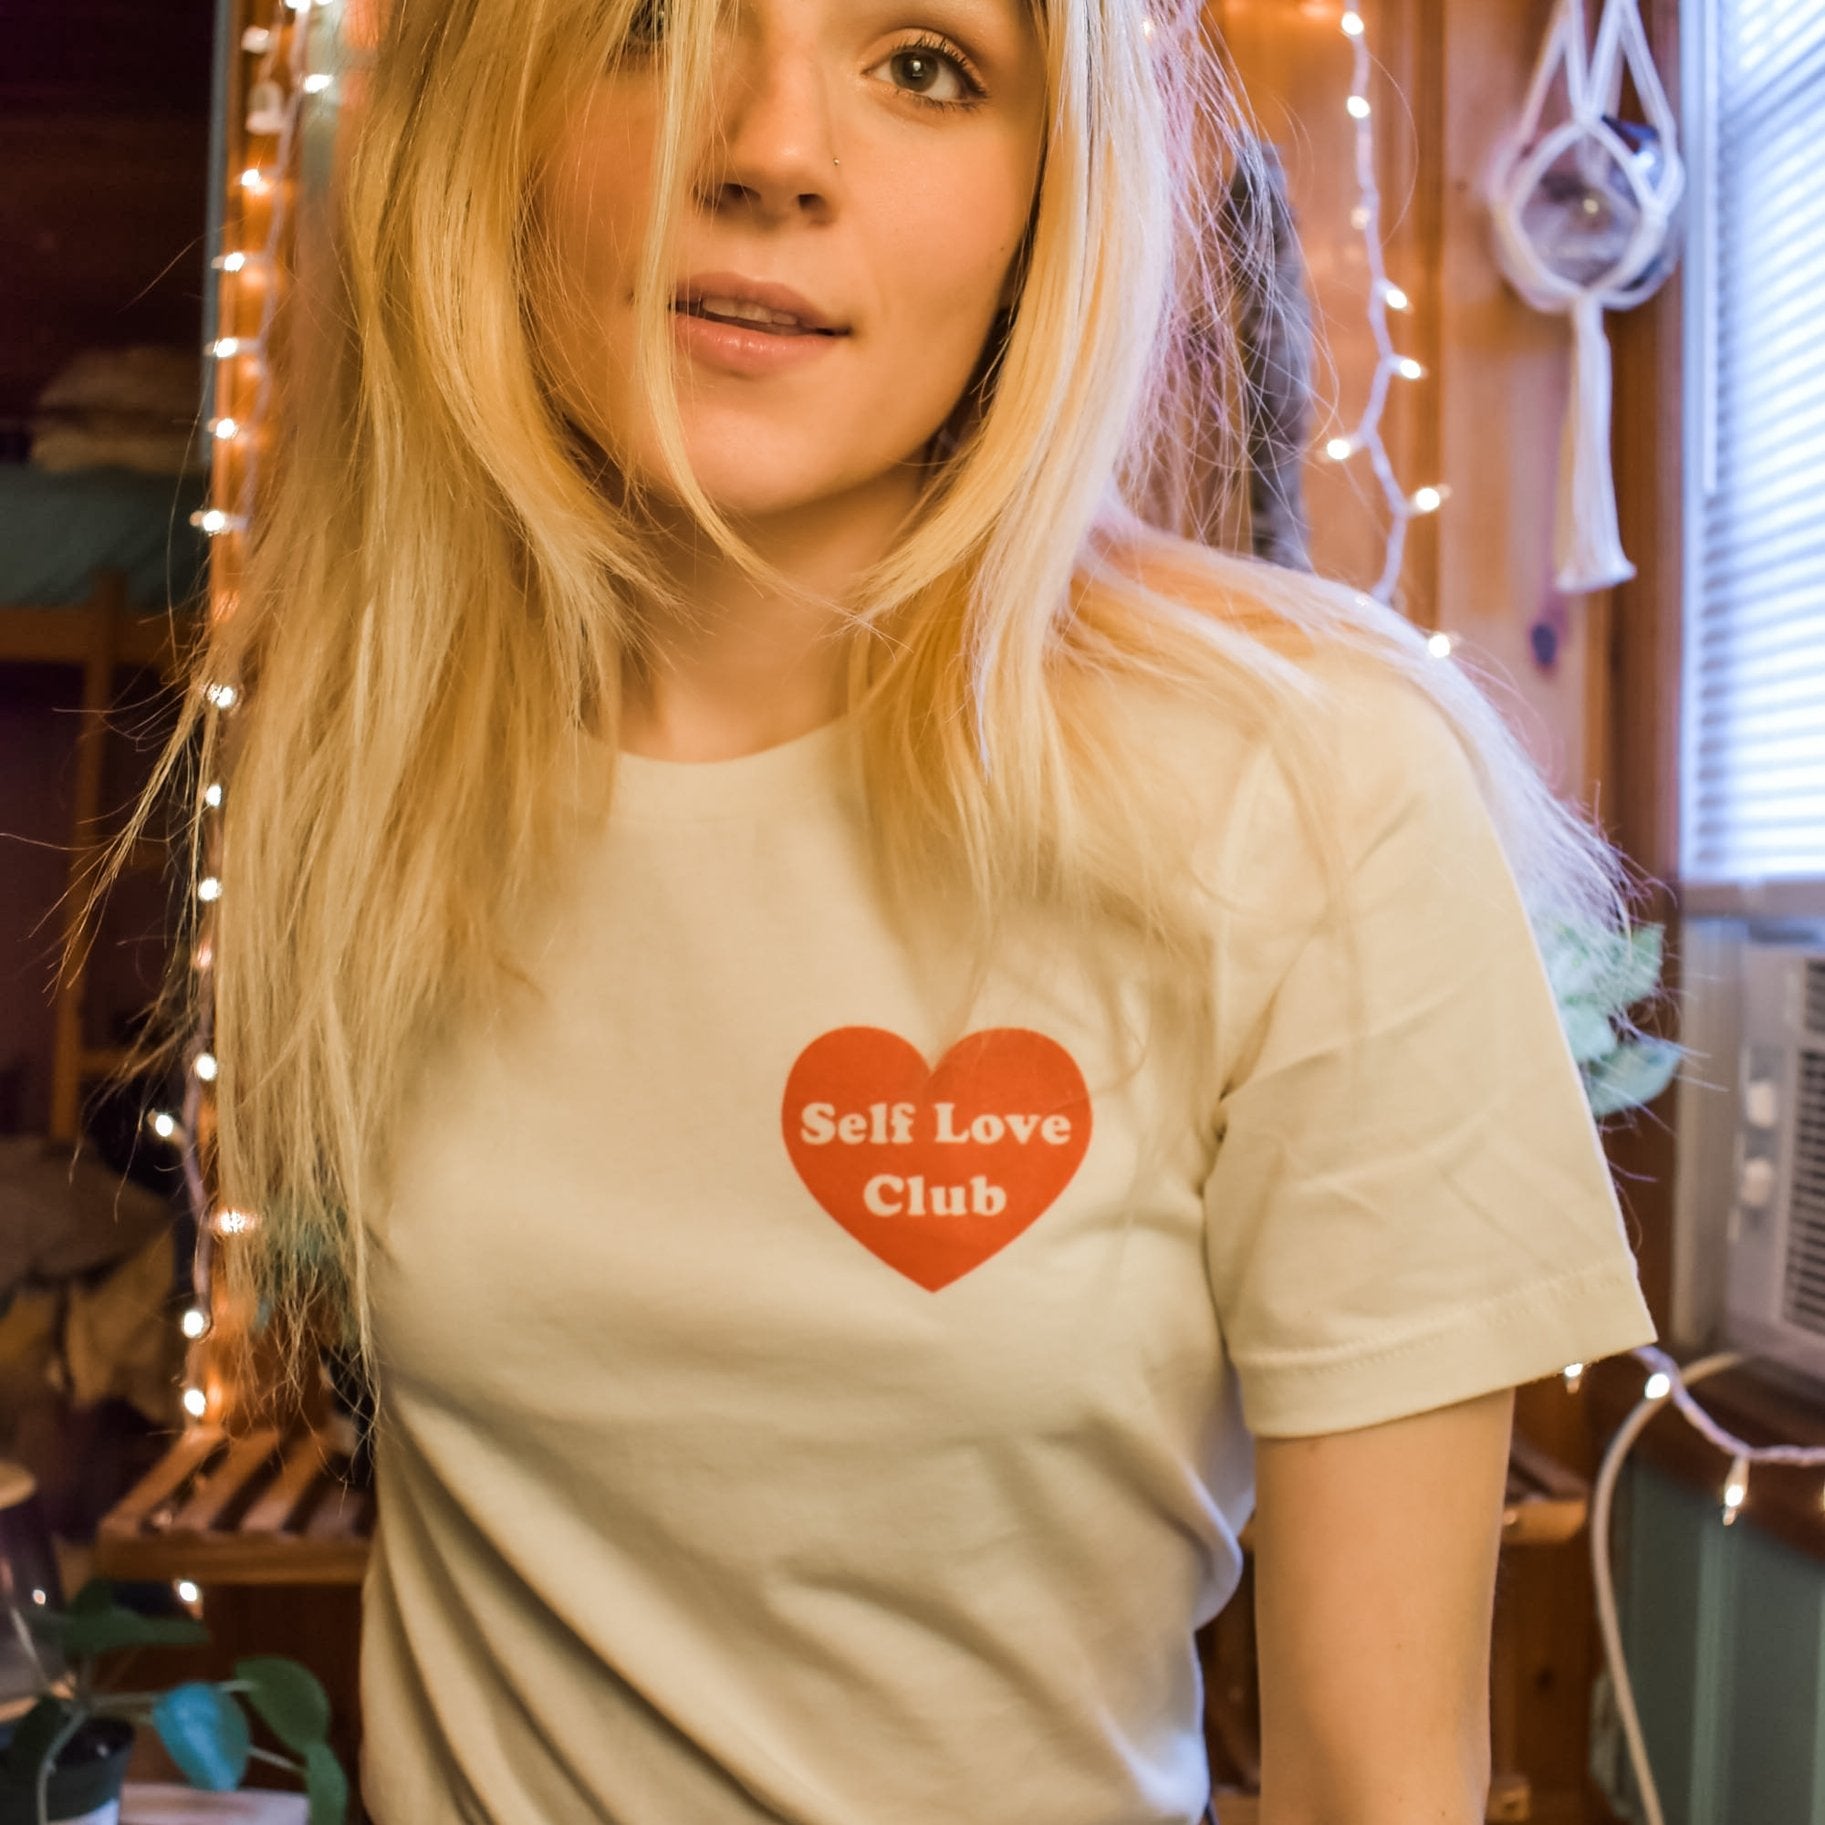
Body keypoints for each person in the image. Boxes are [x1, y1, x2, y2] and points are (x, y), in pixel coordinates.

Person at [90, 0, 1662, 1818]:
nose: (768, 149)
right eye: (648, 27)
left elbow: (1372, 1783)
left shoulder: (1312, 795)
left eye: (923, 62)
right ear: (481, 130)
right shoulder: (370, 760)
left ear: (1044, 205)